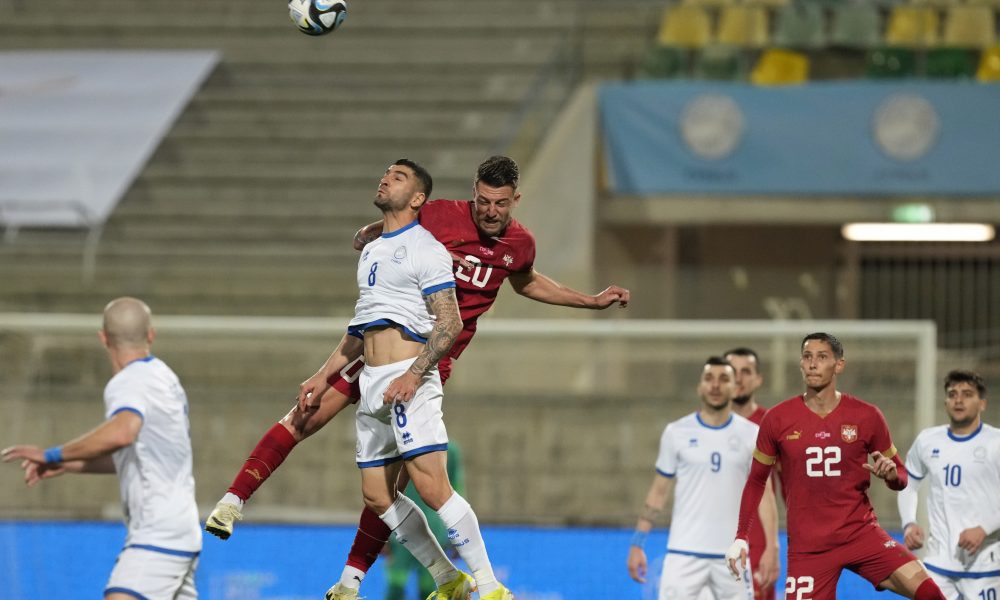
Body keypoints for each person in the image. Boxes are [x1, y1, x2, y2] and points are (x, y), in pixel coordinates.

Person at [204, 155, 630, 598]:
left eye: (500, 204)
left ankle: (366, 580)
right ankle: (234, 501)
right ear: (472, 192)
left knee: (395, 484)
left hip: (424, 360)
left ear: (515, 200)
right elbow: (388, 226)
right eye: (482, 200)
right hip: (378, 341)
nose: (489, 211)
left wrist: (591, 301)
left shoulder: (519, 245)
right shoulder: (440, 216)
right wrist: (370, 235)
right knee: (308, 417)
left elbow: (524, 281)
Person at [303, 158, 511, 599]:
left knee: (434, 486)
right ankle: (447, 578)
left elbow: (449, 323)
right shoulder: (374, 250)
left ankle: (491, 587)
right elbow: (361, 326)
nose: (384, 179)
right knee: (377, 496)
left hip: (407, 376)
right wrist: (324, 376)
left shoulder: (427, 248)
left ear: (418, 199)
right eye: (385, 173)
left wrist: (416, 376)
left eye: (397, 177)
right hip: (374, 380)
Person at [1, 297, 201, 600]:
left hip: (157, 532)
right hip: (182, 528)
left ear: (103, 338)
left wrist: (51, 454)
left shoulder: (128, 382)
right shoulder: (164, 377)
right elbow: (135, 454)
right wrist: (69, 463)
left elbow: (122, 432)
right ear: (151, 334)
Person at [726, 332, 947, 600]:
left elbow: (901, 476)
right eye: (807, 357)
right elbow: (757, 480)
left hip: (860, 534)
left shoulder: (866, 415)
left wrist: (890, 476)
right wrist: (741, 536)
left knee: (931, 593)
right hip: (808, 548)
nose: (813, 364)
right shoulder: (777, 419)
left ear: (838, 365)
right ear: (800, 363)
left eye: (822, 357)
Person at [628, 356, 778, 600]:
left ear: (735, 387)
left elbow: (765, 494)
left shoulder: (752, 435)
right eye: (709, 379)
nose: (715, 385)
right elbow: (658, 491)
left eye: (723, 379)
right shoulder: (676, 432)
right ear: (700, 386)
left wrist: (772, 547)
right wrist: (638, 541)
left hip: (733, 556)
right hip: (683, 555)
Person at [897, 369, 1000, 599]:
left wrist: (984, 528)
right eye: (952, 394)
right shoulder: (928, 440)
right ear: (945, 402)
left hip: (985, 565)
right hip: (938, 563)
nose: (958, 400)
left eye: (967, 394)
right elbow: (908, 484)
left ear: (982, 404)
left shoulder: (996, 443)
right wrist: (909, 523)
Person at [724, 347, 780, 600]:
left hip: (755, 541)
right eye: (732, 372)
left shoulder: (773, 425)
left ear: (758, 379)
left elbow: (788, 486)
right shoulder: (703, 425)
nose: (738, 378)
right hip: (710, 536)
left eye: (746, 372)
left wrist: (773, 545)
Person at [385, 443, 466, 600]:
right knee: (418, 588)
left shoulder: (397, 446)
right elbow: (457, 492)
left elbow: (383, 492)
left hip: (405, 528)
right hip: (426, 529)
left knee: (402, 585)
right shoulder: (449, 449)